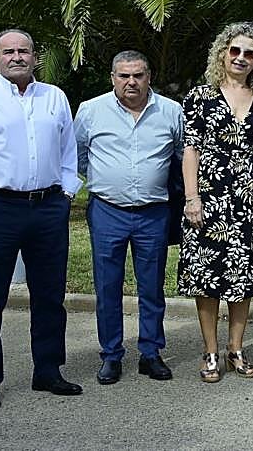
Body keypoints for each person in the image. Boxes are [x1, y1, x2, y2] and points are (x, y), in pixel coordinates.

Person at [178, 22, 253, 383]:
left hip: (249, 204)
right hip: (208, 202)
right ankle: (210, 351)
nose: (240, 58)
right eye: (234, 50)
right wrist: (191, 197)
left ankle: (236, 349)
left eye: (249, 53)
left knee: (243, 277)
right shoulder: (199, 97)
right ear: (222, 53)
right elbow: (190, 150)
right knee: (206, 278)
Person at [75, 50, 183, 385]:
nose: (131, 82)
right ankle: (111, 355)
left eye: (138, 75)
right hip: (107, 211)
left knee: (151, 286)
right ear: (113, 78)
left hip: (153, 212)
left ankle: (151, 353)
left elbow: (183, 156)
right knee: (107, 286)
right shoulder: (91, 111)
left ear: (149, 76)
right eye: (124, 76)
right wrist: (107, 179)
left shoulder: (171, 111)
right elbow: (78, 155)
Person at [0, 29, 81, 411]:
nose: (17, 57)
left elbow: (69, 150)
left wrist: (67, 193)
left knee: (49, 295)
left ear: (34, 57)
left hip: (48, 208)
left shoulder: (54, 97)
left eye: (23, 50)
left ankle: (48, 370)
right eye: (8, 51)